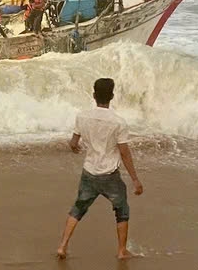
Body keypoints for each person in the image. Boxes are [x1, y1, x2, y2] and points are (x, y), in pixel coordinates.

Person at [57, 77, 144, 260]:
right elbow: (124, 153)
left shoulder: (82, 116)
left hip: (89, 171)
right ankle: (121, 251)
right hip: (109, 175)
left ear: (94, 95)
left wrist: (76, 148)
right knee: (122, 210)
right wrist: (135, 179)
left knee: (78, 208)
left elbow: (73, 143)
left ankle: (63, 246)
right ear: (112, 96)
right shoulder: (118, 122)